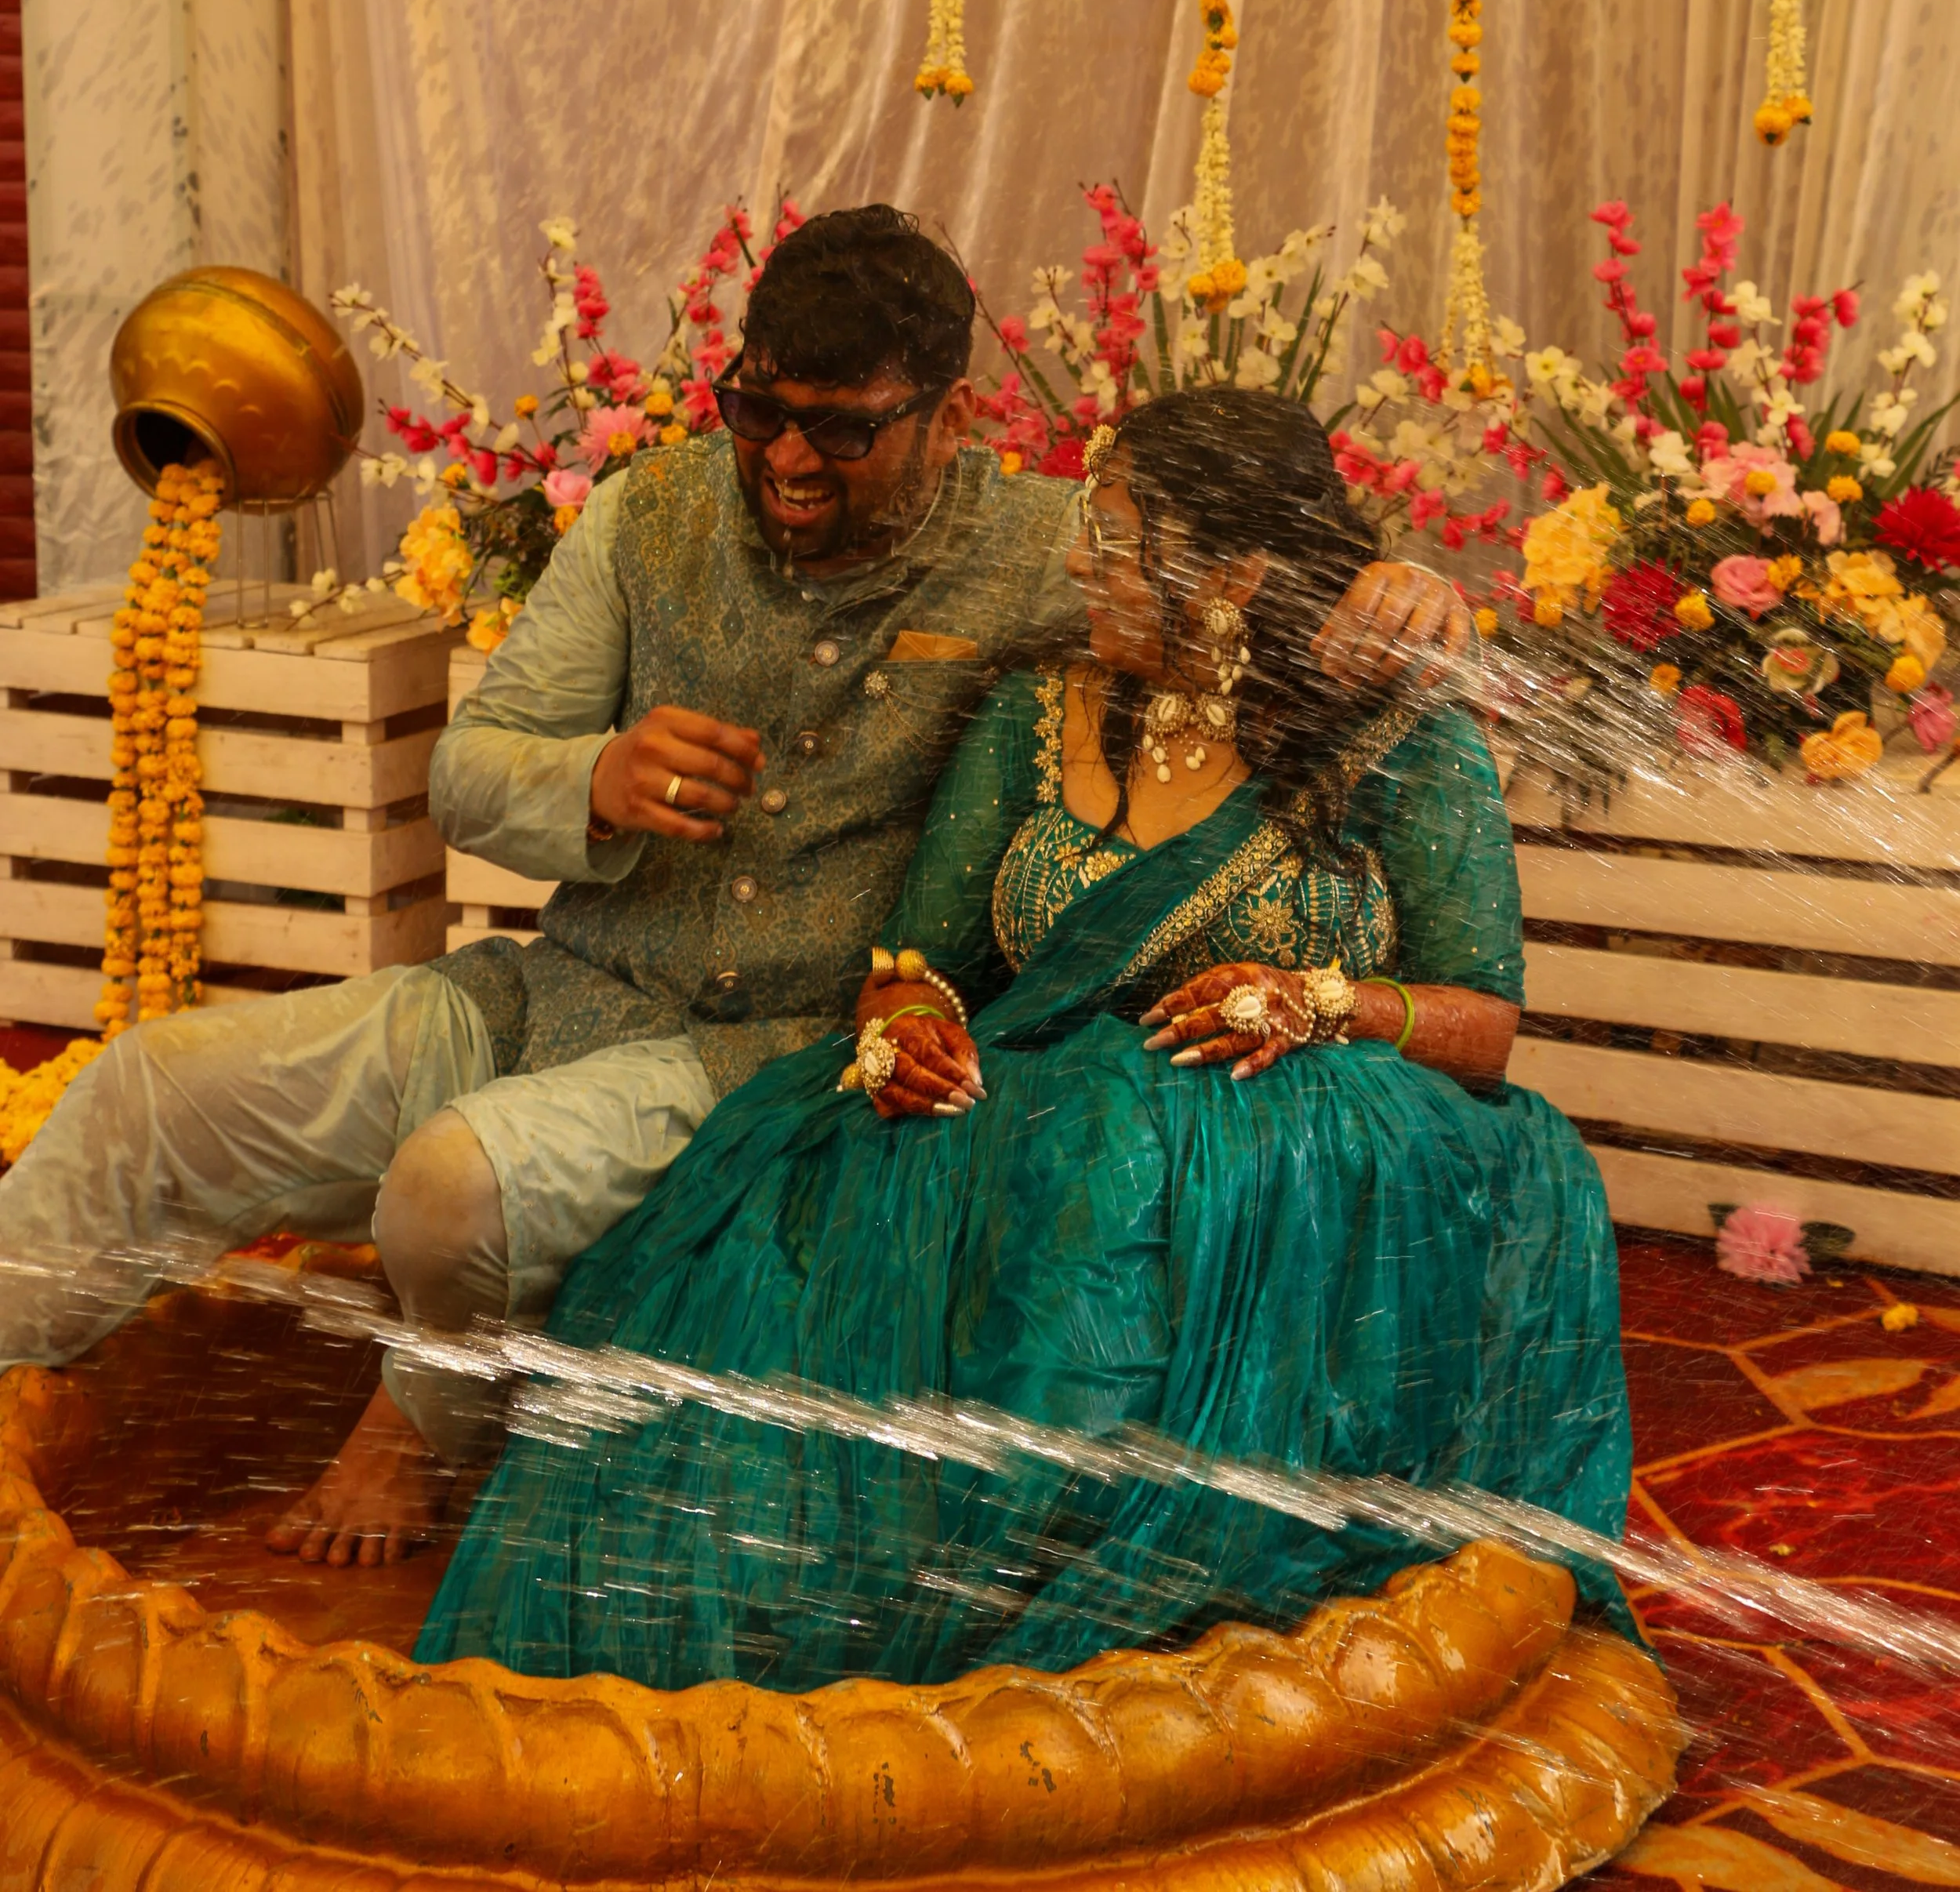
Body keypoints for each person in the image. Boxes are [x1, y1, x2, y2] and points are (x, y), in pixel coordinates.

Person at [0, 209, 1463, 1568]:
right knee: (147, 1086)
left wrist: (1411, 580)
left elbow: (1250, 579)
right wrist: (593, 780)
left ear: (957, 415)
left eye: (845, 429)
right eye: (760, 411)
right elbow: (468, 769)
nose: (790, 461)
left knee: (447, 1192)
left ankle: (429, 1423)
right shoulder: (650, 514)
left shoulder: (1038, 553)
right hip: (541, 992)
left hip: (760, 1059)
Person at [420, 389, 1631, 1691]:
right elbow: (919, 958)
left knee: (1105, 1169)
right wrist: (908, 1025)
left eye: (1113, 542)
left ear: (1233, 571)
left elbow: (1484, 1025)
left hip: (1290, 1142)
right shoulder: (1034, 719)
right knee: (798, 1226)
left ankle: (1039, 1617)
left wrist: (1314, 1001)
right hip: (1032, 1117)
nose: (1075, 562)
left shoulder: (1397, 731)